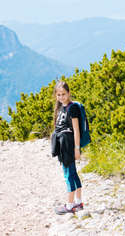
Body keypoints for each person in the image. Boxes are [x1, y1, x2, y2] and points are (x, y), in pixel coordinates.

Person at [50, 80, 84, 214]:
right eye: (58, 95)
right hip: (64, 144)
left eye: (63, 94)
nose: (61, 97)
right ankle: (78, 202)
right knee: (73, 173)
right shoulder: (61, 107)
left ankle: (70, 205)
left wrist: (77, 148)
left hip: (68, 146)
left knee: (68, 174)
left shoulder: (72, 108)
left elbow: (76, 130)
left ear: (69, 93)